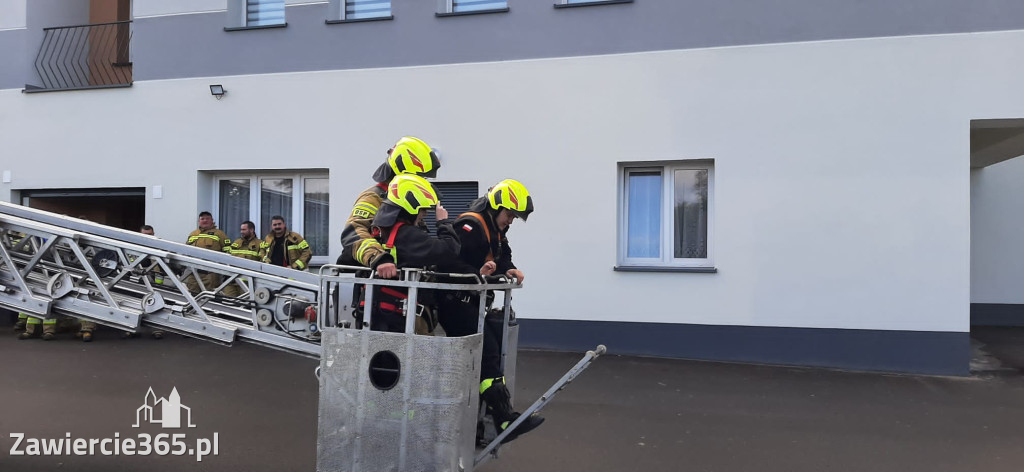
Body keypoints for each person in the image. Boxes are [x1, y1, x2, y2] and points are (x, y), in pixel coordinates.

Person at [437, 179, 542, 444]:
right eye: (509, 215)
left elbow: (501, 255)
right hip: (454, 303)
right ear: (496, 208)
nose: (511, 221)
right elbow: (447, 260)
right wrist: (476, 274)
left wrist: (510, 268)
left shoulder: (495, 231)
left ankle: (494, 421)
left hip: (470, 303)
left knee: (491, 353)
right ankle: (502, 419)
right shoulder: (470, 226)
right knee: (488, 353)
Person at [358, 174, 456, 333]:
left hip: (374, 314)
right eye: (423, 210)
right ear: (411, 207)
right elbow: (450, 250)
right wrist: (443, 223)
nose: (424, 214)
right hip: (396, 319)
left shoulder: (380, 231)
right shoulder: (407, 235)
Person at [337, 136, 442, 268]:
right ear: (404, 171)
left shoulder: (405, 199)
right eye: (419, 176)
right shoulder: (374, 197)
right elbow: (354, 232)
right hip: (376, 278)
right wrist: (378, 258)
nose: (421, 181)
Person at [184, 211, 232, 295]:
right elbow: (186, 250)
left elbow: (228, 251)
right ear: (199, 221)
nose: (205, 221)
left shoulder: (219, 234)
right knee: (191, 296)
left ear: (212, 220)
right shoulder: (193, 234)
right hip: (193, 272)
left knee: (210, 297)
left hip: (210, 274)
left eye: (207, 218)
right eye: (202, 219)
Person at [224, 220, 261, 297]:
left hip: (248, 282)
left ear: (251, 230)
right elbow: (228, 258)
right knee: (227, 304)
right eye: (241, 230)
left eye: (244, 230)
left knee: (245, 306)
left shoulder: (259, 244)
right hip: (231, 280)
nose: (241, 232)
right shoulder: (236, 242)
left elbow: (262, 263)